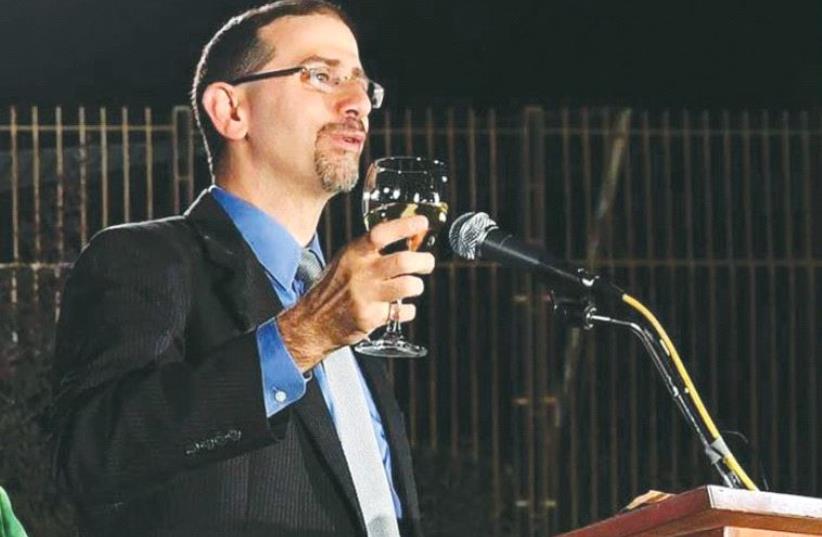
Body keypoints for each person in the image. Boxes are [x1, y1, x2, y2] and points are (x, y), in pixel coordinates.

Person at [50, 2, 434, 535]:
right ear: (232, 111)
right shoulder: (146, 259)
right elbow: (91, 459)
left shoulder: (342, 296)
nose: (357, 104)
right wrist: (301, 338)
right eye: (321, 76)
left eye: (363, 86)